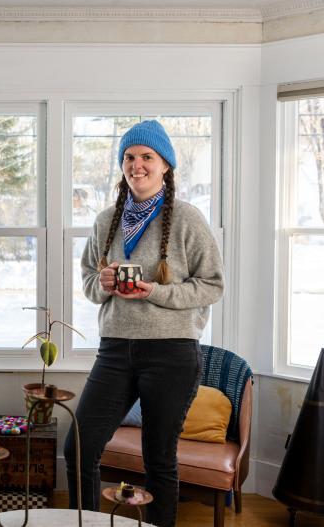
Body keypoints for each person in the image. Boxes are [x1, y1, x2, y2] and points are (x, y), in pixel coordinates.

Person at [64, 120, 224, 527]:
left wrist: (153, 291)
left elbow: (212, 286)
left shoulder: (188, 219)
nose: (137, 165)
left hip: (172, 353)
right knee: (78, 448)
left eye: (147, 157)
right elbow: (88, 281)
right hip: (116, 350)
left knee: (158, 459)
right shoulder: (105, 221)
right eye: (129, 157)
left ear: (166, 165)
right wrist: (100, 283)